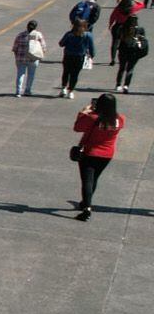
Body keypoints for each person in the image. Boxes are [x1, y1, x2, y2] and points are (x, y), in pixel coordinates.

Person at [71, 93, 125, 221]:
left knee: (87, 180)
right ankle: (85, 202)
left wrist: (83, 113)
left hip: (90, 152)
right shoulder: (120, 119)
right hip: (107, 154)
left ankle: (87, 208)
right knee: (94, 178)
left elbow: (77, 127)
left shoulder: (93, 118)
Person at [58, 19, 93, 97]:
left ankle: (63, 88)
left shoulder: (69, 34)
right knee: (75, 74)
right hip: (79, 57)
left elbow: (61, 44)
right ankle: (71, 91)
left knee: (66, 72)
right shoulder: (88, 35)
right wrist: (91, 56)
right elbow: (92, 48)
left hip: (68, 56)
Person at [13, 19, 47, 97]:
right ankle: (27, 90)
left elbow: (15, 48)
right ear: (35, 27)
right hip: (33, 58)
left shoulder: (20, 35)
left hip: (21, 58)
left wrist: (16, 57)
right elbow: (44, 47)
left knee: (20, 74)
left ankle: (18, 91)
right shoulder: (38, 35)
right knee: (31, 75)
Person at [108, 0, 145, 65]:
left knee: (114, 43)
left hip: (117, 26)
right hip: (127, 28)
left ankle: (113, 59)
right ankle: (123, 58)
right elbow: (142, 5)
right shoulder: (132, 9)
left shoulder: (118, 8)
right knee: (125, 44)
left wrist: (110, 25)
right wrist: (136, 0)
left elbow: (112, 16)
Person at [119, 18, 148, 93]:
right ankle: (126, 85)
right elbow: (144, 39)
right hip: (134, 52)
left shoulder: (123, 28)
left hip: (124, 51)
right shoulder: (140, 29)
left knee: (122, 68)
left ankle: (118, 84)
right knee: (130, 69)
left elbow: (118, 38)